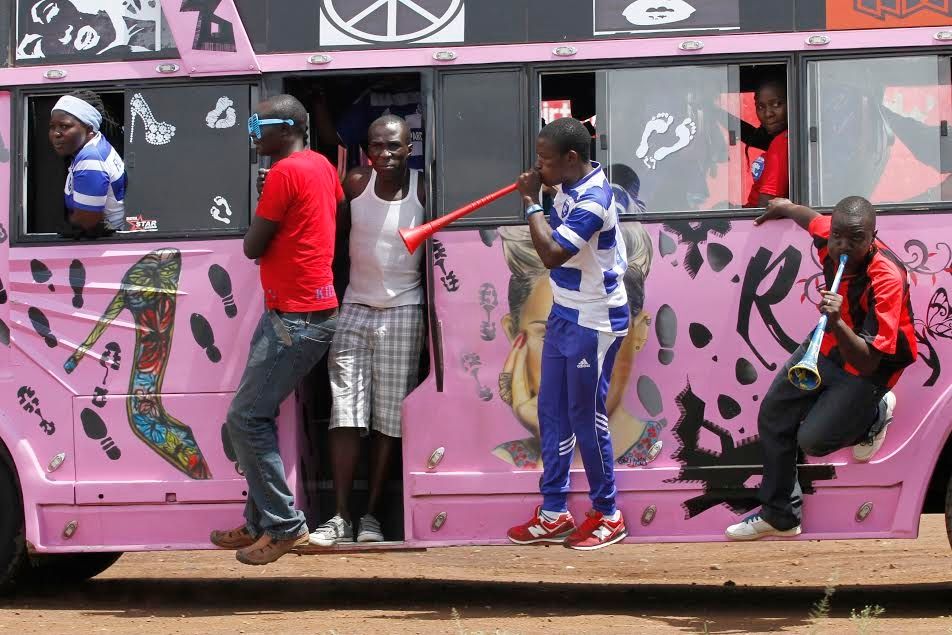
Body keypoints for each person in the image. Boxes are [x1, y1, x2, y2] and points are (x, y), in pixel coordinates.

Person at [726, 196, 916, 541]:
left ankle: (874, 416)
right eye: (838, 237)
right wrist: (782, 206)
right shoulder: (834, 233)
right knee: (774, 414)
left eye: (855, 240)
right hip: (827, 343)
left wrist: (838, 321)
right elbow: (807, 216)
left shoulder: (886, 278)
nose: (843, 246)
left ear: (872, 237)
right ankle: (780, 516)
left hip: (869, 366)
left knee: (812, 441)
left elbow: (868, 359)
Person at [210, 95, 341, 565]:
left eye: (258, 124)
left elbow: (252, 245)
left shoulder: (286, 173)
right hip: (298, 314)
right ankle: (259, 522)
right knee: (252, 417)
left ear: (286, 128)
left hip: (295, 318)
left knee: (246, 419)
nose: (253, 133)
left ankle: (284, 525)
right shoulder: (320, 165)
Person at [506, 117, 631, 551]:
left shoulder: (595, 199)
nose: (537, 166)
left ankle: (608, 514)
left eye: (544, 159)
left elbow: (553, 254)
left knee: (586, 417)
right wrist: (540, 192)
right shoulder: (565, 185)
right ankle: (555, 511)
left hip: (595, 322)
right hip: (564, 312)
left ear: (571, 159)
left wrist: (530, 202)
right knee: (552, 412)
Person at [308, 115, 426, 546]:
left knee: (389, 420)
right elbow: (330, 238)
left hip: (406, 310)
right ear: (367, 151)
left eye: (393, 146)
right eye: (377, 146)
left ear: (409, 148)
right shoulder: (356, 183)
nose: (385, 154)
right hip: (354, 306)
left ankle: (373, 517)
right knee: (345, 413)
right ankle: (340, 517)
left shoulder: (424, 187)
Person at [493, 222, 662, 470]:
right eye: (551, 333)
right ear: (514, 335)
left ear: (639, 332)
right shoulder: (503, 462)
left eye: (602, 328)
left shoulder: (676, 451)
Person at [48, 89, 127, 237]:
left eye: (64, 126)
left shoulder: (90, 159)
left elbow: (88, 220)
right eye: (52, 127)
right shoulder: (96, 146)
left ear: (89, 129)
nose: (56, 133)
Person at [742, 77, 789, 208]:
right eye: (760, 107)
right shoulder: (778, 139)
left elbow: (766, 206)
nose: (768, 113)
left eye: (776, 104)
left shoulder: (783, 141)